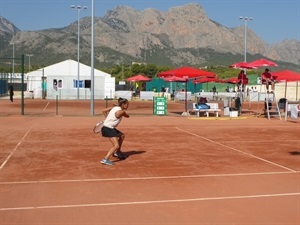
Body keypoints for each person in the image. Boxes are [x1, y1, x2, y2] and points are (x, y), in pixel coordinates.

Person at [100, 98, 130, 166]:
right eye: (127, 104)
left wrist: (107, 119)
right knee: (116, 145)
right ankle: (105, 159)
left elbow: (104, 111)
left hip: (108, 127)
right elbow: (127, 116)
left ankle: (118, 152)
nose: (128, 106)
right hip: (108, 129)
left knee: (122, 135)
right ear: (123, 104)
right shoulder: (121, 112)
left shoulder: (115, 108)